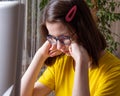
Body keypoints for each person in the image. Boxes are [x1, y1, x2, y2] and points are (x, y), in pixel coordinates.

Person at [21, 0, 120, 96]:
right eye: (53, 38)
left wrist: (81, 62)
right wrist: (40, 55)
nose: (59, 46)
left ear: (83, 31)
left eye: (64, 38)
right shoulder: (62, 61)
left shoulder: (115, 72)